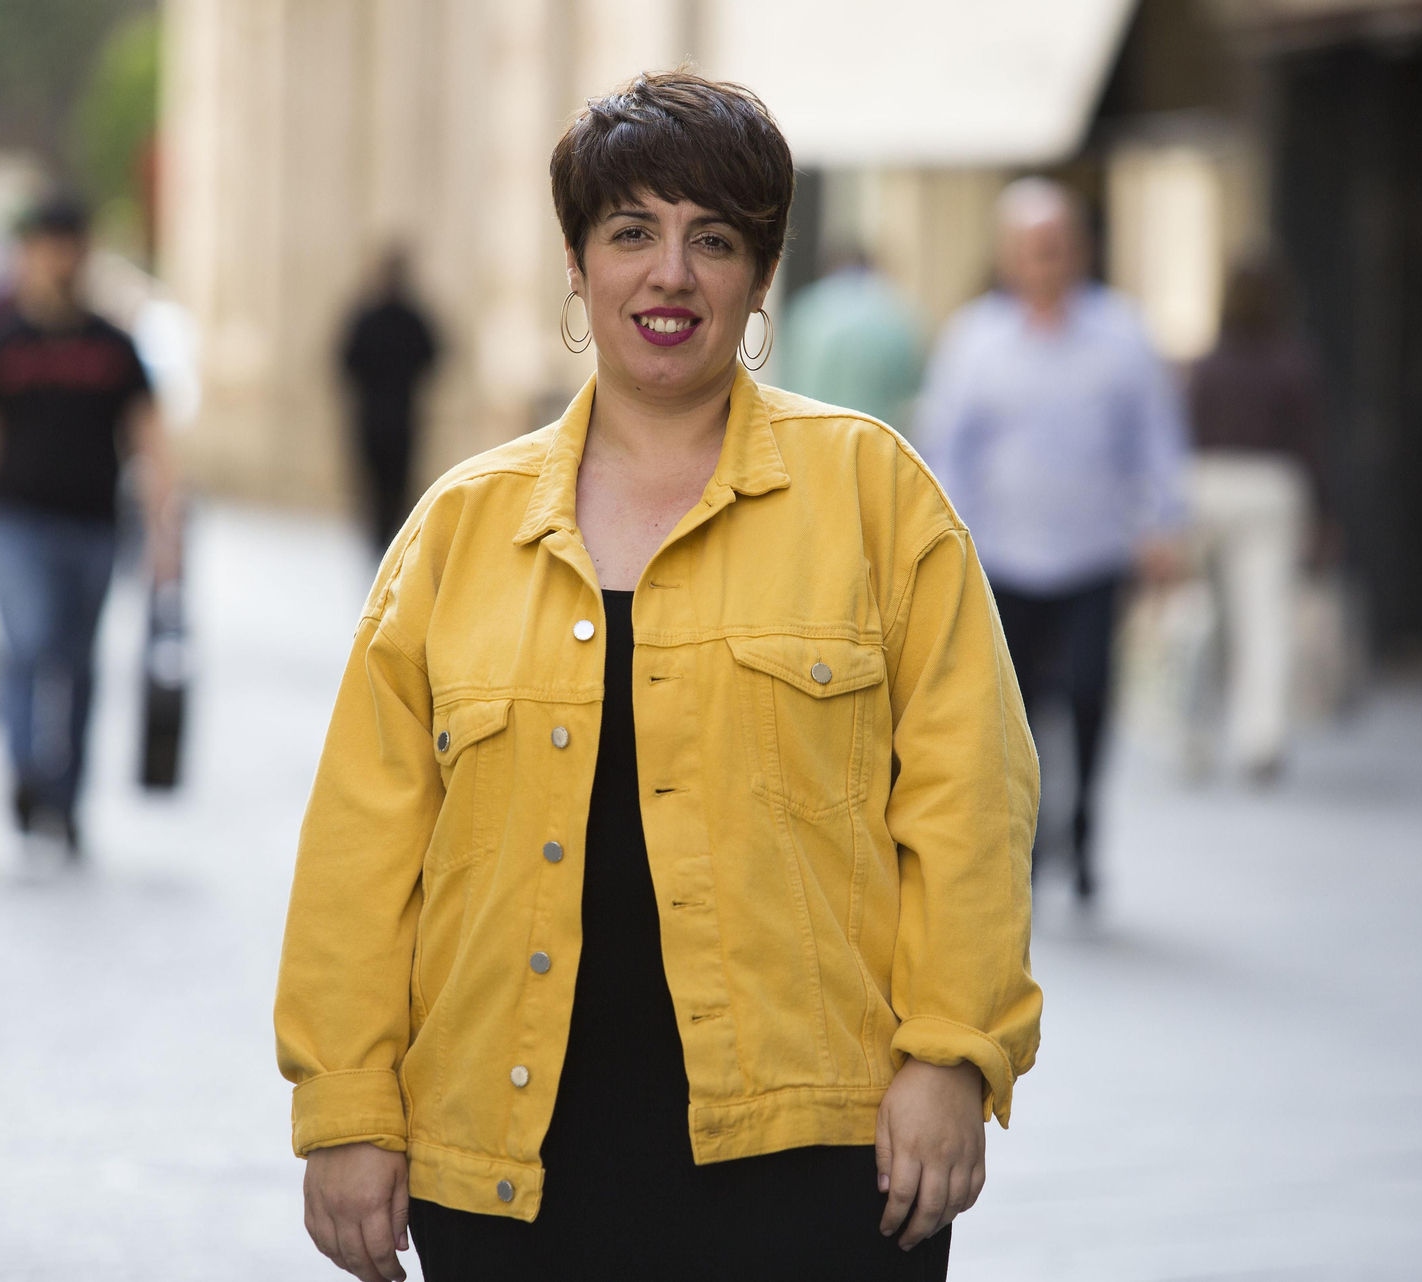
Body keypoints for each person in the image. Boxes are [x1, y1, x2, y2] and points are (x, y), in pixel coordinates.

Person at [277, 71, 1041, 1282]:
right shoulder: (460, 532)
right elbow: (362, 852)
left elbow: (970, 800)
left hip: (820, 1160)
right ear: (579, 268)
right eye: (631, 232)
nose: (670, 275)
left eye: (713, 239)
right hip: (510, 1167)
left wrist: (951, 1058)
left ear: (760, 273)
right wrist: (347, 1108)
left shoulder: (876, 498)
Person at [915, 177, 1188, 901]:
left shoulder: (1122, 333)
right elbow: (948, 448)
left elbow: (1156, 436)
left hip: (1095, 552)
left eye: (1058, 246)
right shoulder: (975, 338)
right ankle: (1033, 836)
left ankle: (1088, 823)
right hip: (1001, 556)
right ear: (1008, 257)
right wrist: (944, 539)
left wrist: (1166, 523)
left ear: (1080, 252)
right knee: (1018, 708)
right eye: (1032, 249)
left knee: (1093, 693)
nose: (1046, 261)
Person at [0, 196, 178, 855]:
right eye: (45, 244)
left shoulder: (114, 348)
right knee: (26, 648)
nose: (57, 258)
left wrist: (166, 536)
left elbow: (150, 444)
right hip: (21, 526)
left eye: (68, 243)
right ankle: (28, 773)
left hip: (93, 530)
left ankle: (66, 795)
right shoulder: (3, 342)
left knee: (78, 663)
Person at [1187, 261, 1333, 782]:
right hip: (1272, 488)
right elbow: (1311, 445)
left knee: (1205, 618)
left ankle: (1194, 733)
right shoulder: (1292, 363)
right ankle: (1260, 740)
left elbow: (1185, 431)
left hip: (1208, 484)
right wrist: (1325, 512)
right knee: (1264, 620)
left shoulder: (1208, 364)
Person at [340, 247, 440, 556]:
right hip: (395, 415)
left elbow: (347, 360)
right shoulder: (406, 318)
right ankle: (385, 541)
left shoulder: (371, 316)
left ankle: (381, 541)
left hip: (380, 416)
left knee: (381, 483)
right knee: (390, 484)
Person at [778, 246, 925, 432]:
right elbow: (909, 394)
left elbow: (786, 380)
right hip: (872, 443)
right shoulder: (896, 314)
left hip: (807, 435)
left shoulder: (805, 308)